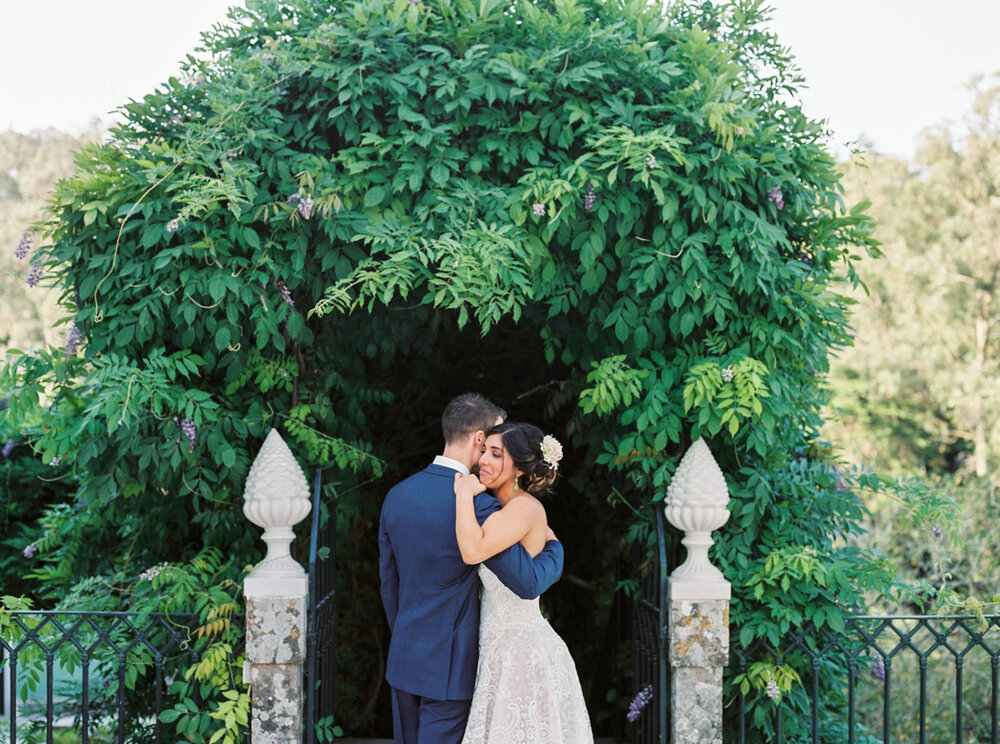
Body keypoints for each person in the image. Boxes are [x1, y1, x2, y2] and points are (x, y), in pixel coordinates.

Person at [379, 394, 565, 744]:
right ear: (480, 439)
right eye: (495, 441)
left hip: (404, 658)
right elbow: (527, 580)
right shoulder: (480, 505)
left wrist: (407, 639)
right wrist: (555, 548)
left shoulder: (397, 495)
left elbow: (389, 585)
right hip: (451, 670)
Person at [454, 422, 594, 743]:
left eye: (495, 454)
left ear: (517, 468)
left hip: (518, 652)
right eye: (484, 452)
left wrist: (463, 495)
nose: (483, 461)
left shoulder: (522, 509)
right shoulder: (508, 509)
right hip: (502, 646)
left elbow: (472, 550)